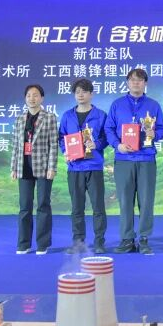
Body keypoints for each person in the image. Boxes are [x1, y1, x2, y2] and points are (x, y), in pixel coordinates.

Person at [103, 68, 163, 254]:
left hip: (146, 158)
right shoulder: (117, 105)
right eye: (132, 80)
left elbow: (162, 129)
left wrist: (154, 134)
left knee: (146, 201)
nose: (135, 83)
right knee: (125, 201)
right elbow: (109, 129)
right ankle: (127, 239)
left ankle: (144, 238)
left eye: (139, 80)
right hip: (124, 159)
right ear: (127, 83)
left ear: (145, 83)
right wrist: (117, 145)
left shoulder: (153, 105)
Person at [58, 78, 109, 254]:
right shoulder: (67, 116)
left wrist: (97, 144)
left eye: (84, 91)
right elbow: (61, 138)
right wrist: (65, 151)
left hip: (94, 166)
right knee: (77, 208)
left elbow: (106, 137)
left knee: (98, 207)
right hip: (74, 167)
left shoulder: (100, 115)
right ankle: (78, 242)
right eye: (77, 92)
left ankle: (99, 242)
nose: (80, 95)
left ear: (91, 94)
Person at [10, 83, 58, 255]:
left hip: (43, 166)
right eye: (29, 95)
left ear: (42, 98)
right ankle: (24, 243)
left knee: (43, 205)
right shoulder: (19, 119)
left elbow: (53, 144)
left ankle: (43, 243)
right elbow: (16, 145)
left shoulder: (49, 117)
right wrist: (14, 167)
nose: (32, 98)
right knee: (24, 206)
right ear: (25, 98)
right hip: (24, 166)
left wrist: (52, 167)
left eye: (36, 95)